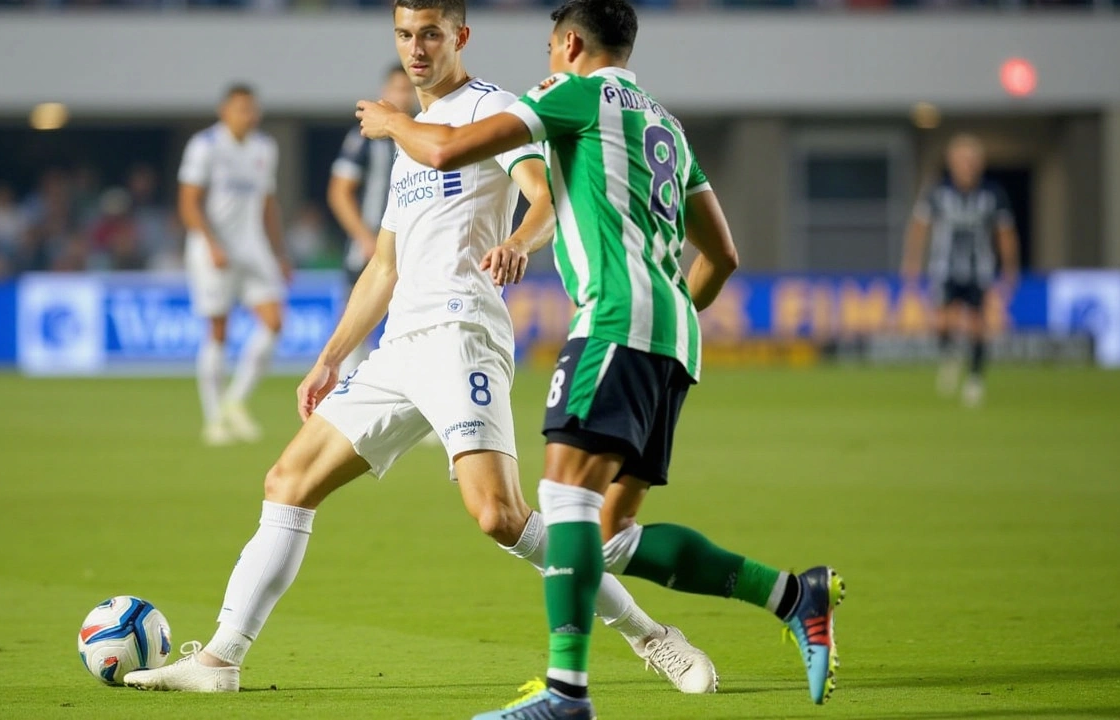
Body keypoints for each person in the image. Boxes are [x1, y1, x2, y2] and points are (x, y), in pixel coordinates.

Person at [124, 0, 717, 697]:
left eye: (431, 34)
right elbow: (384, 265)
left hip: (463, 333)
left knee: (499, 516)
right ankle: (221, 659)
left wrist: (518, 244)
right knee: (288, 482)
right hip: (400, 344)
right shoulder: (406, 145)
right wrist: (330, 356)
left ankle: (652, 636)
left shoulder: (493, 108)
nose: (416, 48)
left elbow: (546, 197)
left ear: (460, 36)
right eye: (405, 34)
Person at [356, 0, 842, 716]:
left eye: (552, 49)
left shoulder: (571, 94)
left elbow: (443, 150)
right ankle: (796, 596)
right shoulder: (666, 125)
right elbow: (725, 256)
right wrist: (668, 315)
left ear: (570, 43)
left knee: (563, 502)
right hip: (675, 336)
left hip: (614, 320)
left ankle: (566, 695)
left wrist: (392, 120)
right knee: (608, 534)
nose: (547, 63)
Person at [178, 83, 294, 446]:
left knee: (275, 322)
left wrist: (279, 251)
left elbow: (267, 203)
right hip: (214, 249)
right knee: (219, 330)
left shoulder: (264, 147)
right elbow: (189, 201)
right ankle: (213, 419)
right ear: (224, 111)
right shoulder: (205, 146)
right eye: (242, 108)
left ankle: (234, 402)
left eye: (253, 109)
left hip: (253, 247)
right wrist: (209, 243)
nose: (249, 115)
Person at [902, 133, 1019, 408]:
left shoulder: (992, 195)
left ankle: (975, 380)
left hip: (980, 270)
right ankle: (950, 356)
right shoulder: (938, 192)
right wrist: (911, 263)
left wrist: (1010, 268)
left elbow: (1005, 233)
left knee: (978, 325)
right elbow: (919, 228)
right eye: (961, 160)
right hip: (944, 268)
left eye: (971, 160)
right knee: (943, 322)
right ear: (951, 162)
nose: (966, 165)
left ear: (979, 163)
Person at [328, 64, 417, 378]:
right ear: (385, 93)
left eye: (408, 89)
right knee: (355, 323)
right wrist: (365, 238)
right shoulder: (365, 135)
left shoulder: (423, 132)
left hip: (414, 247)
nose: (403, 95)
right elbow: (339, 192)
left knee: (413, 325)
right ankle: (343, 403)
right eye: (397, 88)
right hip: (369, 247)